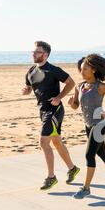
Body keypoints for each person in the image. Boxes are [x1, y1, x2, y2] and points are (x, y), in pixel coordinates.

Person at [22, 41, 80, 190]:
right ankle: (72, 168)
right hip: (42, 111)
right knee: (56, 142)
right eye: (33, 52)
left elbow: (71, 82)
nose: (33, 54)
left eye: (37, 52)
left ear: (45, 54)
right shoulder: (30, 71)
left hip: (54, 111)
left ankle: (51, 177)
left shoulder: (53, 70)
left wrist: (59, 97)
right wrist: (27, 90)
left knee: (43, 142)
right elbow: (29, 87)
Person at [68, 54, 105, 199]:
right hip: (88, 125)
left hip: (100, 124)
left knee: (89, 154)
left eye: (85, 69)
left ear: (93, 70)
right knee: (101, 153)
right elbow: (75, 106)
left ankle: (86, 188)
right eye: (81, 69)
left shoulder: (102, 87)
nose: (82, 72)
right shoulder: (79, 87)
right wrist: (70, 103)